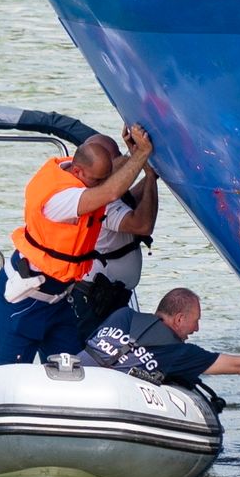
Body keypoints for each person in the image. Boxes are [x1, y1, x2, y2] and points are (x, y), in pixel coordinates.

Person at [0, 123, 155, 364]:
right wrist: (142, 154)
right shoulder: (62, 199)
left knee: (74, 367)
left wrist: (132, 156)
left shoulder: (71, 168)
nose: (100, 183)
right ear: (78, 173)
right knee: (9, 370)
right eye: (96, 180)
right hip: (26, 297)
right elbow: (110, 191)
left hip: (59, 300)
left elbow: (106, 178)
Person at [79, 286, 240, 388]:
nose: (196, 329)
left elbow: (93, 347)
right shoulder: (181, 353)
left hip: (75, 382)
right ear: (180, 319)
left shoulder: (123, 315)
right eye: (196, 320)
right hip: (110, 399)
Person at [67, 135, 161, 340]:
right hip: (94, 299)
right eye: (117, 159)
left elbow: (129, 199)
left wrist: (150, 173)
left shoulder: (99, 192)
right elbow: (143, 225)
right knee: (92, 357)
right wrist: (150, 178)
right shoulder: (98, 199)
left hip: (109, 297)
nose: (122, 164)